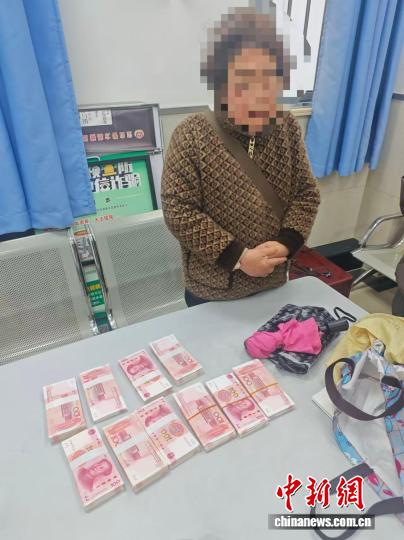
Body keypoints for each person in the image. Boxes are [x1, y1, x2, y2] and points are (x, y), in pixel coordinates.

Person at [161, 8, 320, 307]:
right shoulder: (191, 134)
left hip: (273, 281)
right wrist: (240, 257)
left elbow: (306, 194)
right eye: (244, 81)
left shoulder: (287, 127)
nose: (257, 94)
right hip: (212, 290)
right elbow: (178, 210)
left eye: (268, 80)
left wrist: (286, 243)